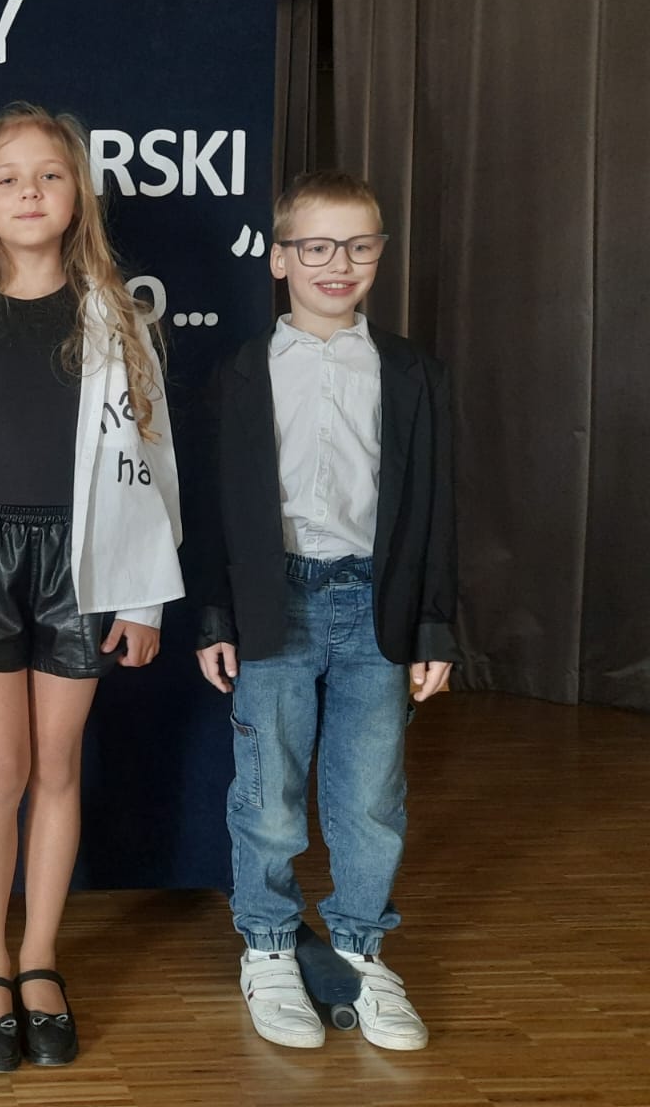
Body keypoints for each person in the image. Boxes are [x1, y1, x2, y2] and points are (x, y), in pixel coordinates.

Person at [0, 103, 184, 1073]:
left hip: (83, 566)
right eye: (9, 177)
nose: (29, 192)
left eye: (49, 175)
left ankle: (39, 960)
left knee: (58, 768)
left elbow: (154, 462)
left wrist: (141, 598)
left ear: (77, 196)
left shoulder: (120, 320)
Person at [193, 169, 458, 1051]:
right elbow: (214, 507)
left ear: (379, 254)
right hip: (275, 601)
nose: (337, 264)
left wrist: (433, 624)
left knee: (371, 794)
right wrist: (215, 615)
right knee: (267, 792)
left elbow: (435, 503)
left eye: (357, 246)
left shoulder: (412, 372)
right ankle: (269, 947)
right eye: (316, 246)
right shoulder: (240, 372)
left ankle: (359, 950)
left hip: (376, 602)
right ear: (280, 259)